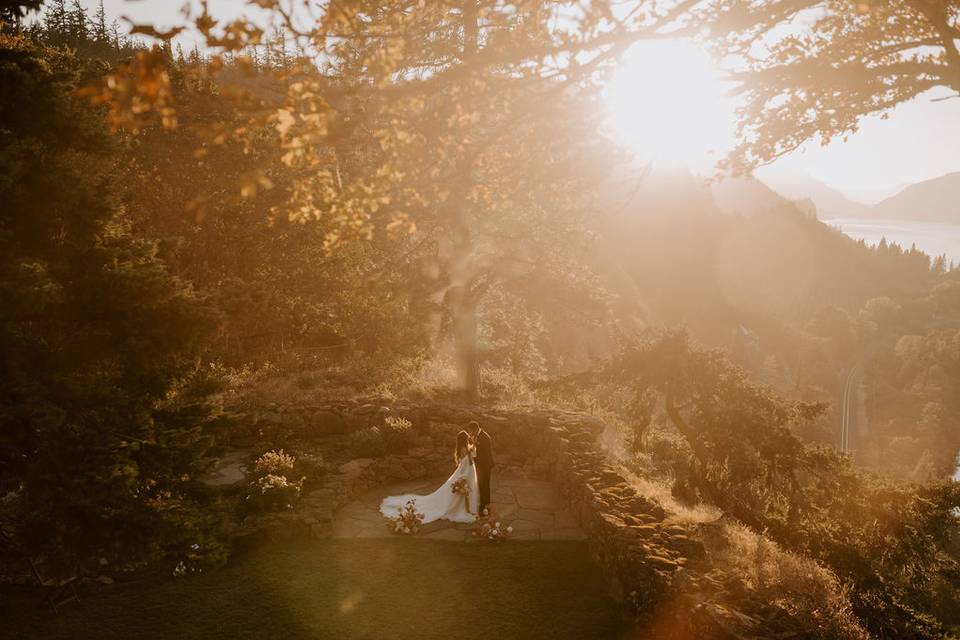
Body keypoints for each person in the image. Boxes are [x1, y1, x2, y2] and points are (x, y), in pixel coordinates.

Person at [379, 430, 478, 523]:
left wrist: (473, 442)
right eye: (467, 437)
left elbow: (472, 454)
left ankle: (464, 507)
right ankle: (458, 508)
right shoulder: (464, 449)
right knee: (455, 493)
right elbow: (464, 465)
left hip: (465, 473)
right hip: (463, 474)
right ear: (464, 439)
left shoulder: (465, 448)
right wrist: (463, 477)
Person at [468, 421, 494, 515]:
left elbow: (484, 454)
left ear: (475, 429)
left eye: (471, 431)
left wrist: (474, 459)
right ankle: (483, 505)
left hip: (485, 465)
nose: (470, 433)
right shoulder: (477, 436)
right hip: (480, 465)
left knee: (485, 486)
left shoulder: (484, 437)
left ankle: (486, 507)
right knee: (481, 486)